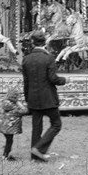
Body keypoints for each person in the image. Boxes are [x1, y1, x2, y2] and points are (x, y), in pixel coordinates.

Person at [22, 30, 67, 162]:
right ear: (45, 43)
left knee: (36, 127)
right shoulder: (48, 58)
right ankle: (39, 148)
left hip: (33, 98)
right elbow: (53, 79)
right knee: (56, 124)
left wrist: (27, 98)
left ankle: (34, 156)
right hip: (48, 98)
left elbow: (26, 82)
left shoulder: (26, 59)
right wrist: (65, 80)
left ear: (32, 43)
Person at [0, 87, 29, 161]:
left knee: (8, 141)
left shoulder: (4, 103)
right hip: (10, 128)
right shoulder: (14, 108)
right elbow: (25, 111)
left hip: (4, 127)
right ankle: (5, 156)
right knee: (9, 141)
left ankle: (6, 154)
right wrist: (19, 103)